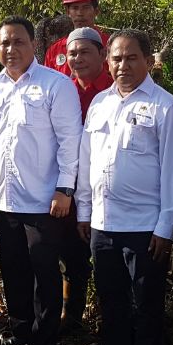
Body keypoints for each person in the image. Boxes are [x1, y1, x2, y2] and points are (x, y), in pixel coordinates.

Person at [0, 16, 82, 345]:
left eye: (18, 42)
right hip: (6, 200)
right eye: (4, 43)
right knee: (13, 269)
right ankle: (20, 334)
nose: (10, 49)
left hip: (45, 202)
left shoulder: (55, 85)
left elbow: (70, 141)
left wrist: (65, 188)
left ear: (33, 45)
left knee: (44, 275)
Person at [75, 29, 173, 345]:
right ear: (107, 63)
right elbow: (87, 159)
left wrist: (165, 226)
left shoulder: (166, 107)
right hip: (103, 223)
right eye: (117, 58)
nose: (123, 65)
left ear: (149, 61)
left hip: (145, 226)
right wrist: (84, 210)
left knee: (147, 300)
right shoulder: (99, 104)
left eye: (131, 57)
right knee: (111, 297)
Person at [57, 27, 114, 329]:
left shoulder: (116, 89)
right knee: (71, 254)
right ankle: (72, 317)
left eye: (85, 52)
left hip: (107, 188)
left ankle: (112, 324)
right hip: (70, 186)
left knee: (108, 260)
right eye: (72, 54)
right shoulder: (62, 89)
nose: (77, 59)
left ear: (103, 55)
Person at [44, 0, 109, 75]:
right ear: (67, 12)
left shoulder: (110, 45)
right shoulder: (54, 51)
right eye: (75, 8)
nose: (80, 13)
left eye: (86, 7)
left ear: (96, 11)